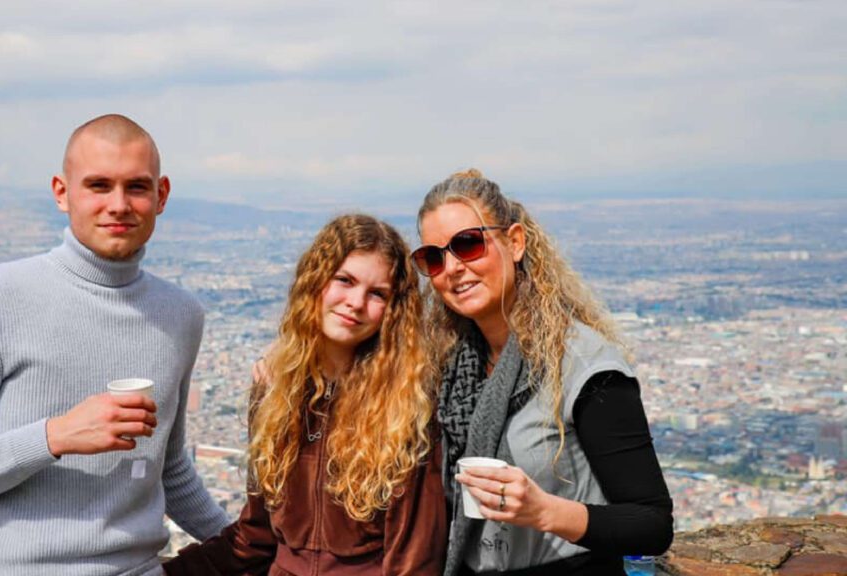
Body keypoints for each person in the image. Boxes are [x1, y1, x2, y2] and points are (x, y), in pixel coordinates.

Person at [0, 114, 230, 575]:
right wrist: (55, 436)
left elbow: (169, 468)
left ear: (161, 196)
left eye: (136, 187)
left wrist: (249, 548)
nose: (119, 205)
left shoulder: (180, 314)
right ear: (62, 192)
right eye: (98, 185)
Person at [413, 170, 673, 575]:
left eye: (468, 244)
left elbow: (652, 524)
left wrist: (544, 511)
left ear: (515, 242)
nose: (452, 268)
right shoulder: (448, 366)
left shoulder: (583, 365)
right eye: (433, 257)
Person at [163, 214, 447, 575]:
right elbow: (256, 538)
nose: (356, 302)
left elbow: (415, 561)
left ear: (392, 310)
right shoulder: (275, 392)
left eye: (378, 293)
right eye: (344, 280)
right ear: (316, 281)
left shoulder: (407, 405)